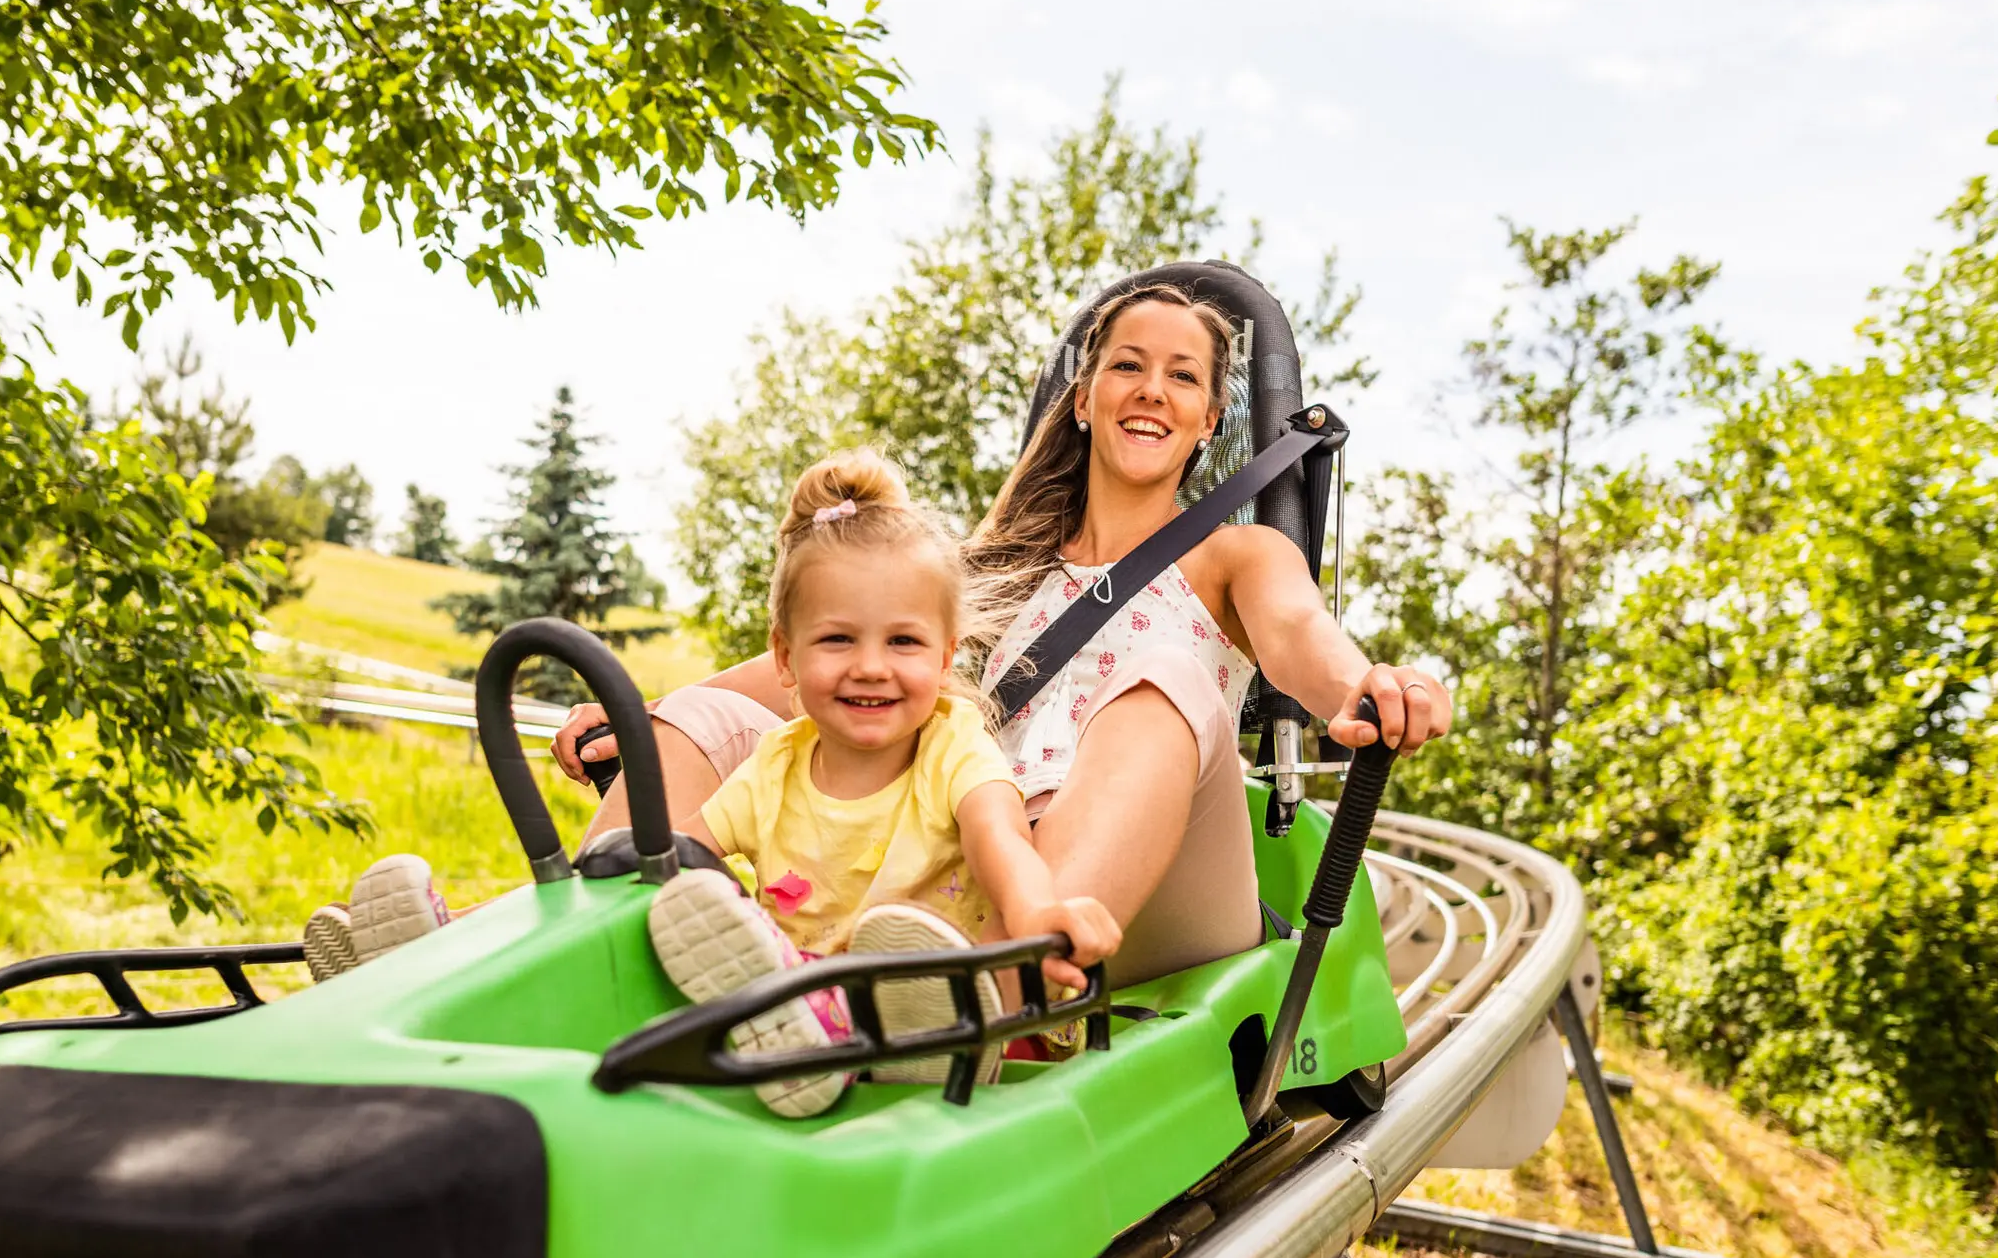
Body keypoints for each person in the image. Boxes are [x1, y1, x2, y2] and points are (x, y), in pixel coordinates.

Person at [556, 283, 1452, 990]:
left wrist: (1364, 687)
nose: (1153, 389)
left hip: (1157, 879)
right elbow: (813, 669)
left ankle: (984, 998)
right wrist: (644, 714)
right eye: (1129, 367)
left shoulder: (1236, 556)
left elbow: (1301, 634)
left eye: (1183, 377)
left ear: (1211, 418)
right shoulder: (989, 568)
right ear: (1085, 402)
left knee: (1166, 672)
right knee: (700, 720)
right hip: (976, 860)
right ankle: (584, 955)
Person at [644, 453, 1121, 1118]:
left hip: (975, 1021)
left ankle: (867, 1035)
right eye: (838, 639)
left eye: (903, 642)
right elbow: (680, 851)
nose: (871, 668)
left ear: (945, 655)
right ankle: (805, 1035)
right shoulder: (775, 764)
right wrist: (640, 874)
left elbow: (1001, 839)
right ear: (786, 656)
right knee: (683, 894)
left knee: (908, 940)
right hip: (814, 1013)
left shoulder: (952, 745)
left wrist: (1038, 914)